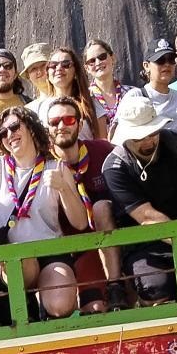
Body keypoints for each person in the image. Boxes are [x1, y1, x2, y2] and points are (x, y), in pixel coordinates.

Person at [0, 104, 87, 318]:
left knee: (61, 305)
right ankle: (29, 306)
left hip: (50, 251)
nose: (10, 134)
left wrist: (63, 188)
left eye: (15, 127)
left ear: (31, 128)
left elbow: (80, 222)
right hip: (12, 255)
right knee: (21, 260)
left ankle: (44, 305)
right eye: (3, 132)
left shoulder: (57, 167)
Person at [103, 89, 177, 304]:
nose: (148, 141)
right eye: (140, 137)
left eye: (153, 133)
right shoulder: (114, 167)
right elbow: (147, 217)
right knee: (155, 289)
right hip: (144, 244)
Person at [46, 95, 127, 312]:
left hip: (116, 243)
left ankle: (116, 283)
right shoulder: (44, 167)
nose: (61, 126)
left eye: (69, 120)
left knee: (101, 207)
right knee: (95, 308)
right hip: (76, 249)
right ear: (47, 130)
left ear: (80, 124)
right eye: (54, 122)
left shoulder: (103, 151)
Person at [37, 48, 97, 136]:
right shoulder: (42, 107)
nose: (59, 68)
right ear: (48, 74)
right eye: (53, 65)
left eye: (65, 64)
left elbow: (102, 141)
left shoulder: (91, 102)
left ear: (75, 72)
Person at [142, 38, 177, 136]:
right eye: (160, 60)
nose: (167, 64)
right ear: (146, 66)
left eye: (171, 60)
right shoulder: (136, 96)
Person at [83, 39, 128, 138]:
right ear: (87, 68)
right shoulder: (85, 100)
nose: (98, 62)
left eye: (102, 57)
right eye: (92, 61)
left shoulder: (131, 94)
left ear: (112, 58)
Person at [21, 43, 53, 108]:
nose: (39, 72)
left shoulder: (75, 99)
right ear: (28, 76)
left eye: (43, 65)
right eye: (33, 69)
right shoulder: (29, 110)